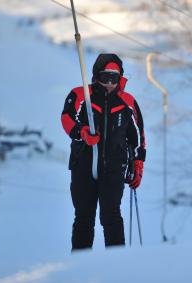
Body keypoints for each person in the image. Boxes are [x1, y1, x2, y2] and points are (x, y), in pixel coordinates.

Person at [61, 53, 146, 250]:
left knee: (111, 215)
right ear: (95, 76)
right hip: (83, 166)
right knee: (83, 216)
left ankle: (116, 267)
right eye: (105, 77)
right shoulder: (81, 95)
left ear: (120, 78)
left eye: (114, 78)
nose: (109, 83)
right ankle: (80, 265)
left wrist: (138, 163)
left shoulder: (128, 102)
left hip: (114, 168)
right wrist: (82, 132)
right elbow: (66, 118)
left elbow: (139, 136)